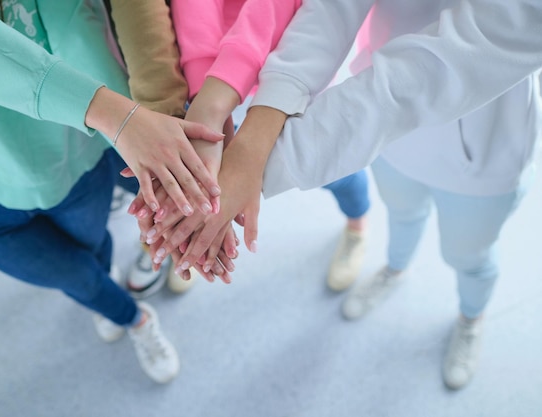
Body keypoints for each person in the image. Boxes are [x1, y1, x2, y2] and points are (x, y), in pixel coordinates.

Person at [156, 0, 542, 389]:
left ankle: (470, 318)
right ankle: (394, 269)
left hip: (482, 159)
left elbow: (436, 70)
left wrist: (249, 170)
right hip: (388, 142)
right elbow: (332, 8)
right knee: (402, 215)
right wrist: (255, 130)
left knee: (467, 256)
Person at [0, 0, 229, 383]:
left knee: (96, 248)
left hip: (67, 162)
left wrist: (163, 151)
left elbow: (79, 24)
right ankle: (134, 317)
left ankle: (118, 300)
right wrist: (124, 121)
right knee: (77, 278)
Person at [133, 0, 372, 292]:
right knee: (204, 177)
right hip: (209, 75)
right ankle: (199, 231)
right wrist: (205, 96)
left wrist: (215, 105)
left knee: (332, 168)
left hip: (299, 65)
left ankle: (357, 224)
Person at [105, 0, 190, 298]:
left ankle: (171, 235)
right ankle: (168, 228)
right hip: (98, 62)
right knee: (120, 163)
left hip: (176, 54)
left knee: (174, 176)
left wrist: (163, 118)